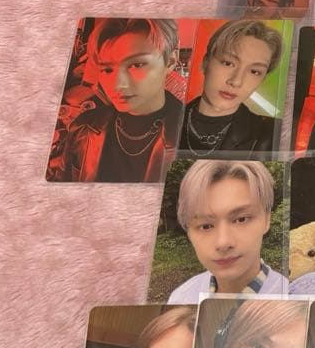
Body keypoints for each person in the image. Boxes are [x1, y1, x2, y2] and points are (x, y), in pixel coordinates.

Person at [49, 18, 183, 183]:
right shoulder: (83, 128)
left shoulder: (193, 135)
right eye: (107, 69)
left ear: (170, 61)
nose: (118, 84)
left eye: (137, 65)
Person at [168, 160, 288, 304]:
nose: (223, 243)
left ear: (267, 220)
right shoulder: (181, 298)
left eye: (241, 219)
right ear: (188, 232)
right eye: (206, 226)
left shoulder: (293, 298)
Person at [180, 19, 283, 155]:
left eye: (254, 71)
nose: (236, 81)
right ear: (205, 62)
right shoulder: (166, 121)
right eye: (228, 63)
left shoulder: (275, 134)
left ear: (262, 79)